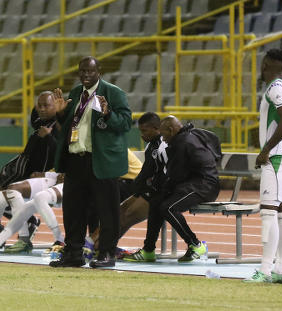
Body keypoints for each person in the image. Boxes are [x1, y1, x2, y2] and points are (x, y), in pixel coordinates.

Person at [49, 56, 132, 268]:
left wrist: (109, 113)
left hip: (102, 161)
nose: (86, 75)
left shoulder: (113, 93)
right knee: (73, 210)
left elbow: (125, 124)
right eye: (82, 71)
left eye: (90, 71)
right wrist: (60, 115)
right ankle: (73, 254)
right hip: (77, 160)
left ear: (99, 72)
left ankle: (106, 254)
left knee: (107, 211)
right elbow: (71, 124)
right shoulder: (76, 93)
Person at [124, 116, 220, 263]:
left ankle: (196, 244)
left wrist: (160, 188)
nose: (163, 139)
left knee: (168, 208)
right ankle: (148, 250)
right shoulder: (191, 134)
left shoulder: (181, 143)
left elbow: (175, 175)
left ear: (171, 130)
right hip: (195, 183)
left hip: (204, 186)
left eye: (164, 135)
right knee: (156, 201)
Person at [244, 49, 282, 284]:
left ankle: (265, 271)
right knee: (281, 213)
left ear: (265, 64)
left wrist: (268, 149)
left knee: (269, 212)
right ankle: (281, 269)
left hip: (276, 159)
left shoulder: (275, 89)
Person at [94, 112, 168, 261]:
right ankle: (99, 246)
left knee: (126, 216)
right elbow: (146, 173)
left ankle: (104, 249)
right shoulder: (151, 146)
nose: (141, 135)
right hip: (149, 189)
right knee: (119, 211)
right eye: (140, 131)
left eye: (144, 131)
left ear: (156, 128)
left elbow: (167, 173)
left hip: (162, 192)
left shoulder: (164, 145)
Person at [0, 91, 60, 247]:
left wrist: (48, 137)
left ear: (56, 106)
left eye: (46, 105)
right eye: (39, 105)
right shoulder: (40, 121)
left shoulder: (60, 126)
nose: (42, 109)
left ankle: (24, 231)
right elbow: (35, 115)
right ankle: (28, 221)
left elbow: (60, 153)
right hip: (19, 166)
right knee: (4, 195)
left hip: (35, 173)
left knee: (7, 193)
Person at [0, 174, 65, 254]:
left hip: (77, 186)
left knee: (39, 197)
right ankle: (22, 240)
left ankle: (61, 241)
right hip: (59, 182)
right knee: (25, 206)